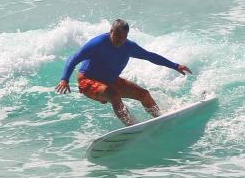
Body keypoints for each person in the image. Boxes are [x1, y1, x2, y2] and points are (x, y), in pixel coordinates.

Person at [55, 19, 192, 126]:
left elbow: (150, 56)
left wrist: (175, 65)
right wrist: (64, 79)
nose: (120, 40)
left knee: (144, 94)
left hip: (111, 81)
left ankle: (161, 119)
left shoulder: (129, 47)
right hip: (88, 81)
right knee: (113, 94)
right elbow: (74, 58)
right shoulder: (97, 43)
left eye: (123, 37)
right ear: (111, 31)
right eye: (117, 35)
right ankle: (132, 127)